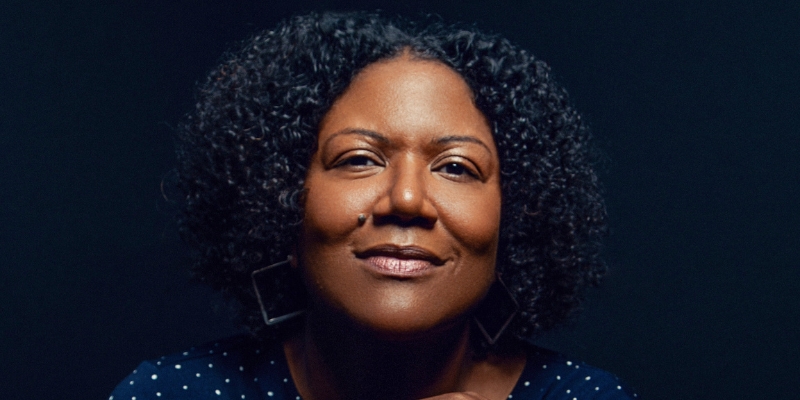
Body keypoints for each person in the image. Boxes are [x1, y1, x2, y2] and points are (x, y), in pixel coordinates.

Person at [110, 11, 637, 400]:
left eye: (456, 167)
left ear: (514, 221)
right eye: (359, 159)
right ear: (280, 201)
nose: (407, 199)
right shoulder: (174, 392)